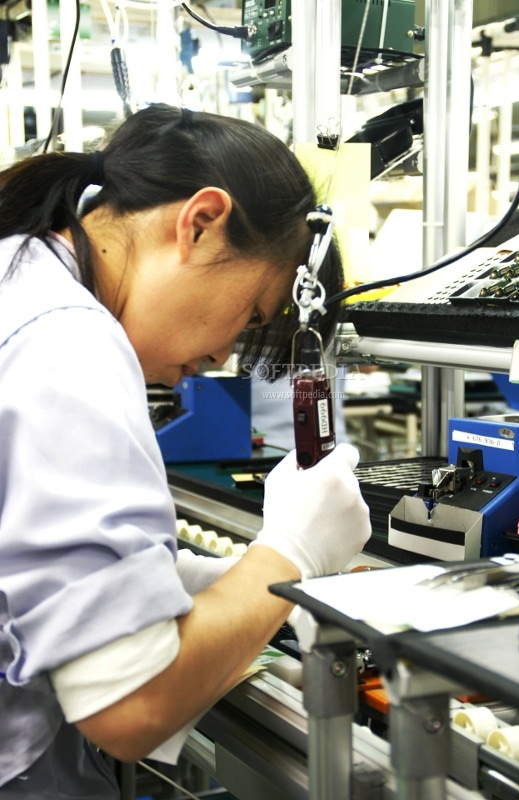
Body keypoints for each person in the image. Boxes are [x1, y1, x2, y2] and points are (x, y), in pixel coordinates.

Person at [0, 103, 371, 799]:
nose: (224, 354)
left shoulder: (20, 277)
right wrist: (288, 554)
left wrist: (220, 586)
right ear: (199, 224)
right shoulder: (68, 342)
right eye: (252, 314)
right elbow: (130, 706)